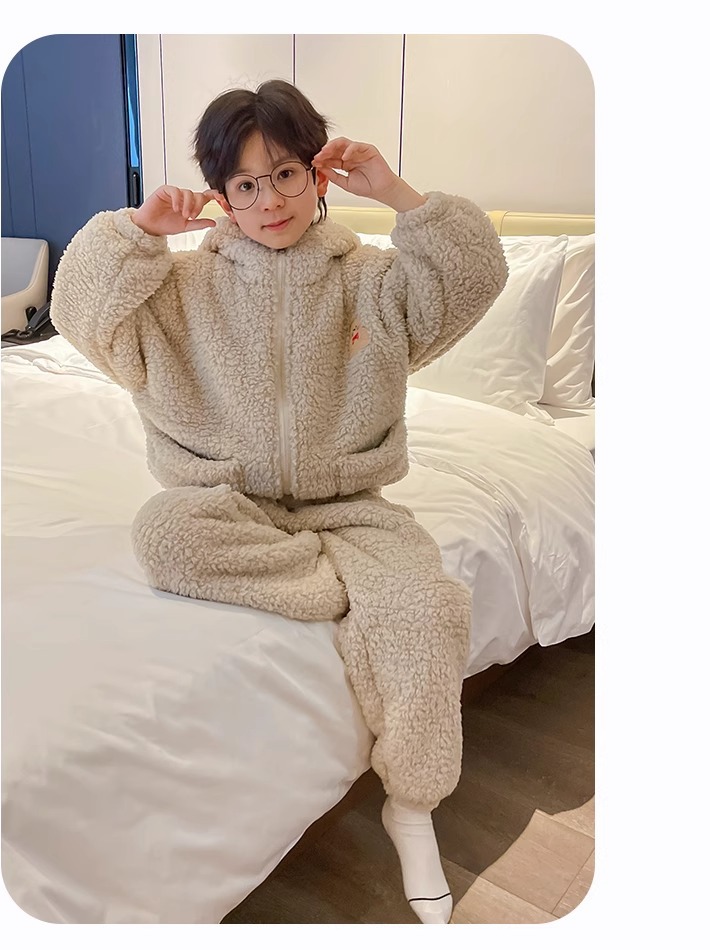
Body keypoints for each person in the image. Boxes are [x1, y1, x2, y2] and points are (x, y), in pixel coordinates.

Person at [50, 78, 508, 925]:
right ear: (220, 195)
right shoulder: (180, 289)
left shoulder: (375, 281)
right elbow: (80, 315)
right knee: (165, 534)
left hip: (351, 505)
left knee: (426, 611)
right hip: (228, 506)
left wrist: (398, 194)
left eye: (287, 174)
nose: (270, 201)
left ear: (318, 174)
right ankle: (350, 584)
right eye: (246, 184)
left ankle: (412, 810)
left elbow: (474, 274)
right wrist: (138, 232)